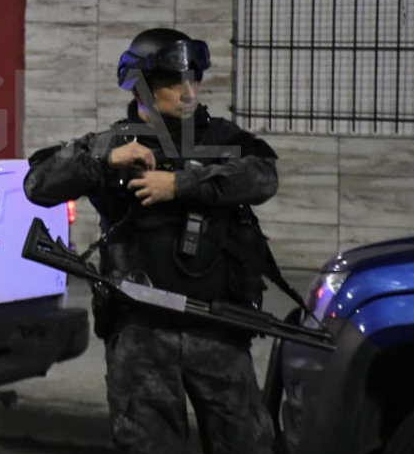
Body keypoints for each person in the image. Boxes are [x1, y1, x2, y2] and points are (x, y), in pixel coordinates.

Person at [22, 28, 278, 454]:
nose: (188, 91)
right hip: (141, 334)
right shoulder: (114, 143)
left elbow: (265, 175)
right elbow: (38, 182)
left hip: (217, 329)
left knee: (246, 443)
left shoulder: (222, 139)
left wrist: (180, 184)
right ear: (142, 87)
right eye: (174, 82)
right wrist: (102, 159)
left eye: (193, 79)